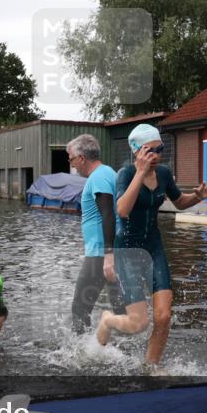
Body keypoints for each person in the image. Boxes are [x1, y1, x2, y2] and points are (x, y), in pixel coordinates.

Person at [96, 124, 207, 365]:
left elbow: (179, 201)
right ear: (137, 151)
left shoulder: (163, 174)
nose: (157, 155)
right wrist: (139, 174)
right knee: (139, 323)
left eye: (160, 149)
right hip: (128, 250)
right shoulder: (126, 174)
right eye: (150, 150)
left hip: (154, 247)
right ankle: (107, 319)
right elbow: (122, 210)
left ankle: (151, 367)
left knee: (163, 316)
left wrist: (197, 197)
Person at [66, 134, 125, 334]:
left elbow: (107, 212)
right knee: (120, 308)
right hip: (110, 251)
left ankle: (80, 354)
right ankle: (130, 354)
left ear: (82, 158)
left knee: (79, 309)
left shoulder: (99, 176)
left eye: (71, 159)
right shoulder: (108, 173)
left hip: (100, 254)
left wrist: (108, 254)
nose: (71, 164)